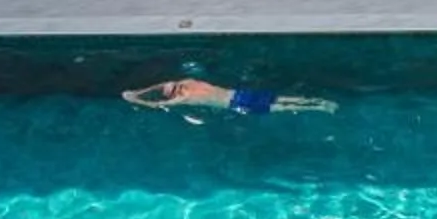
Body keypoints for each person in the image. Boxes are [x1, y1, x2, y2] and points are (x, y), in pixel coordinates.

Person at [123, 79, 334, 117]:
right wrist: (141, 89)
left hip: (236, 104)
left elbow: (158, 104)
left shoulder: (183, 99)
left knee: (279, 107)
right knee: (279, 98)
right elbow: (164, 84)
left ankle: (318, 108)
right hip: (238, 93)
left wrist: (136, 98)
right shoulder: (191, 81)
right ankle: (315, 100)